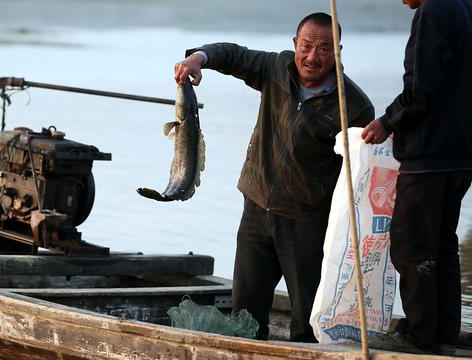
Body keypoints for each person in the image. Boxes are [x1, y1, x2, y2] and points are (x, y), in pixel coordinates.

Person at [175, 13, 374, 342]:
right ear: (295, 44)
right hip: (256, 208)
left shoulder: (353, 105)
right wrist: (198, 57)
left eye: (324, 49)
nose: (312, 56)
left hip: (307, 222)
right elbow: (233, 55)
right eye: (306, 46)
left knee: (308, 322)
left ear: (338, 52)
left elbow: (359, 177)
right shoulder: (276, 69)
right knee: (244, 317)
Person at [362, 0, 472, 355]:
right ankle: (444, 332)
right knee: (442, 243)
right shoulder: (464, 6)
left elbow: (420, 90)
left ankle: (419, 334)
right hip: (460, 154)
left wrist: (387, 122)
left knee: (412, 246)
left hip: (430, 154)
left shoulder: (432, 11)